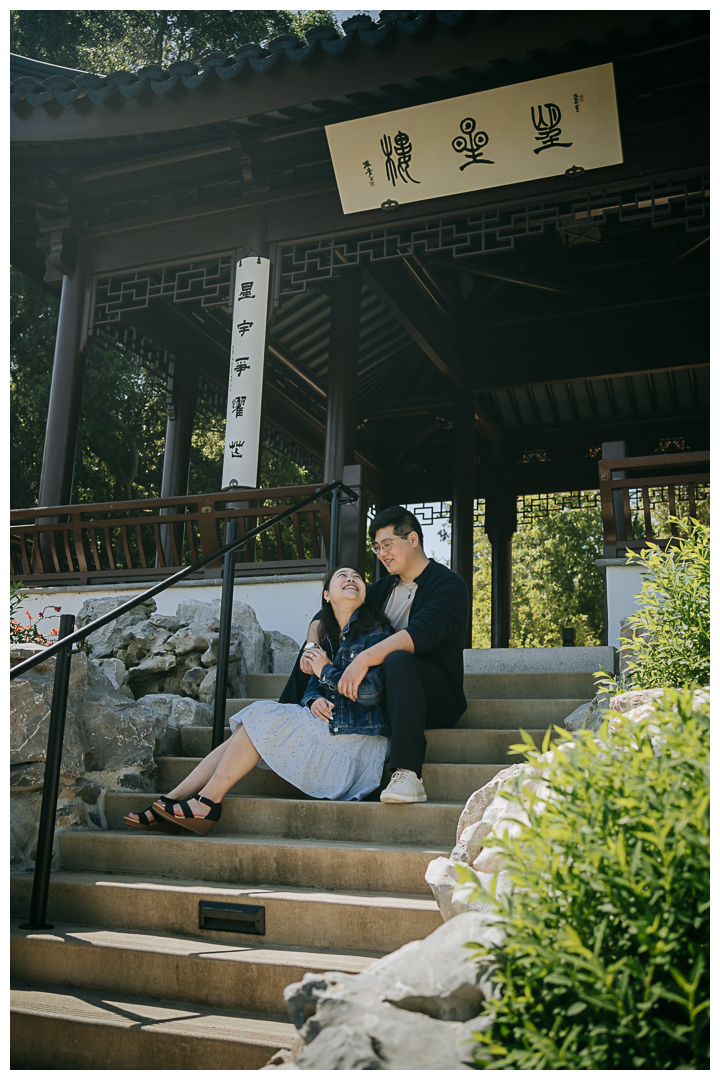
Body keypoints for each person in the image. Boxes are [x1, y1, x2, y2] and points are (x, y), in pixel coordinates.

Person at [123, 567, 393, 836]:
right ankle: (173, 799)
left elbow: (371, 693)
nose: (351, 579)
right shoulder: (326, 639)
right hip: (332, 727)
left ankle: (206, 802)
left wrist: (325, 671)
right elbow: (313, 686)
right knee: (250, 724)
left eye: (358, 576)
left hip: (359, 742)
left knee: (262, 714)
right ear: (326, 595)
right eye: (342, 576)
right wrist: (312, 701)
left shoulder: (377, 632)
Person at [281, 506, 468, 804]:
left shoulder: (448, 585)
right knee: (316, 651)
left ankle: (408, 774)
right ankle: (288, 718)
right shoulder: (382, 589)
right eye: (377, 547)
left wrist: (363, 659)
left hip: (435, 696)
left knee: (398, 658)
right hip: (379, 694)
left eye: (388, 544)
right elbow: (324, 614)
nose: (381, 553)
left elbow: (418, 636)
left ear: (413, 539)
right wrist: (311, 646)